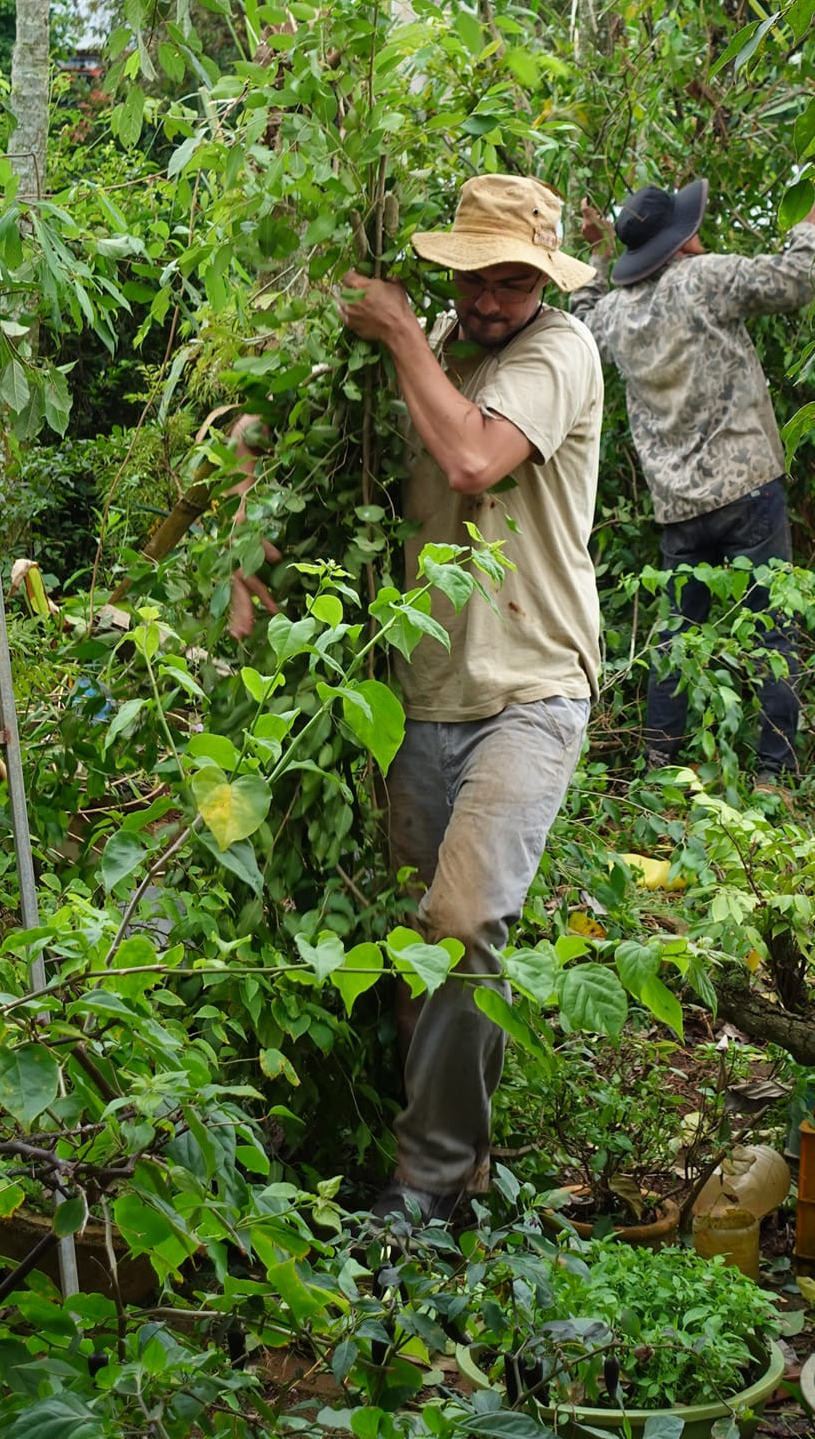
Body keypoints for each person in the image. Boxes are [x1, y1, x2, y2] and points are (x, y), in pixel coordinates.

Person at [338, 174, 603, 1223]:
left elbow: (471, 456)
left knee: (461, 922)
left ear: (540, 280)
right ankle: (460, 1170)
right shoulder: (434, 351)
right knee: (418, 943)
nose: (490, 300)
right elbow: (309, 443)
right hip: (422, 695)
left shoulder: (559, 351)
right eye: (474, 279)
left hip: (531, 688)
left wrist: (403, 333)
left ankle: (426, 1181)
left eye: (512, 280)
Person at [573, 179, 815, 783]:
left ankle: (659, 766)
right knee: (772, 629)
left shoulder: (616, 313)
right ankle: (776, 775)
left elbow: (580, 321)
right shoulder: (705, 277)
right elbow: (795, 281)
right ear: (684, 239)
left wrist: (598, 253)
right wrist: (811, 227)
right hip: (748, 490)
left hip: (677, 505)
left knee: (677, 637)